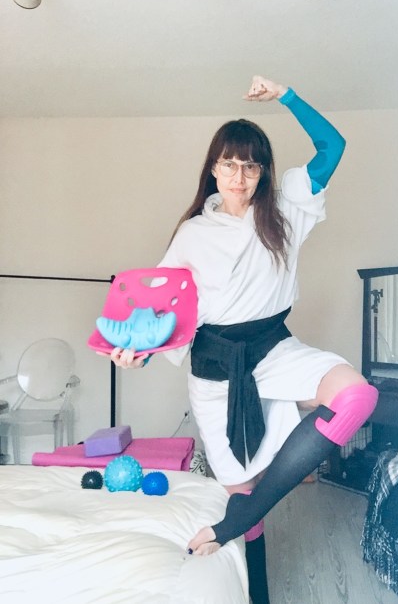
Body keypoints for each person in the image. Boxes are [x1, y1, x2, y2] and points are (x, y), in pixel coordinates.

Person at [106, 75, 378, 604]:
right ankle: (256, 578)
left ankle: (235, 522)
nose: (239, 175)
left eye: (251, 165)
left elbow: (333, 145)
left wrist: (287, 96)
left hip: (273, 349)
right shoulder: (192, 234)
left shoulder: (286, 209)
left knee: (356, 396)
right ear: (213, 168)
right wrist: (136, 354)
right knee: (241, 494)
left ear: (263, 172)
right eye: (229, 164)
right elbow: (161, 310)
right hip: (214, 370)